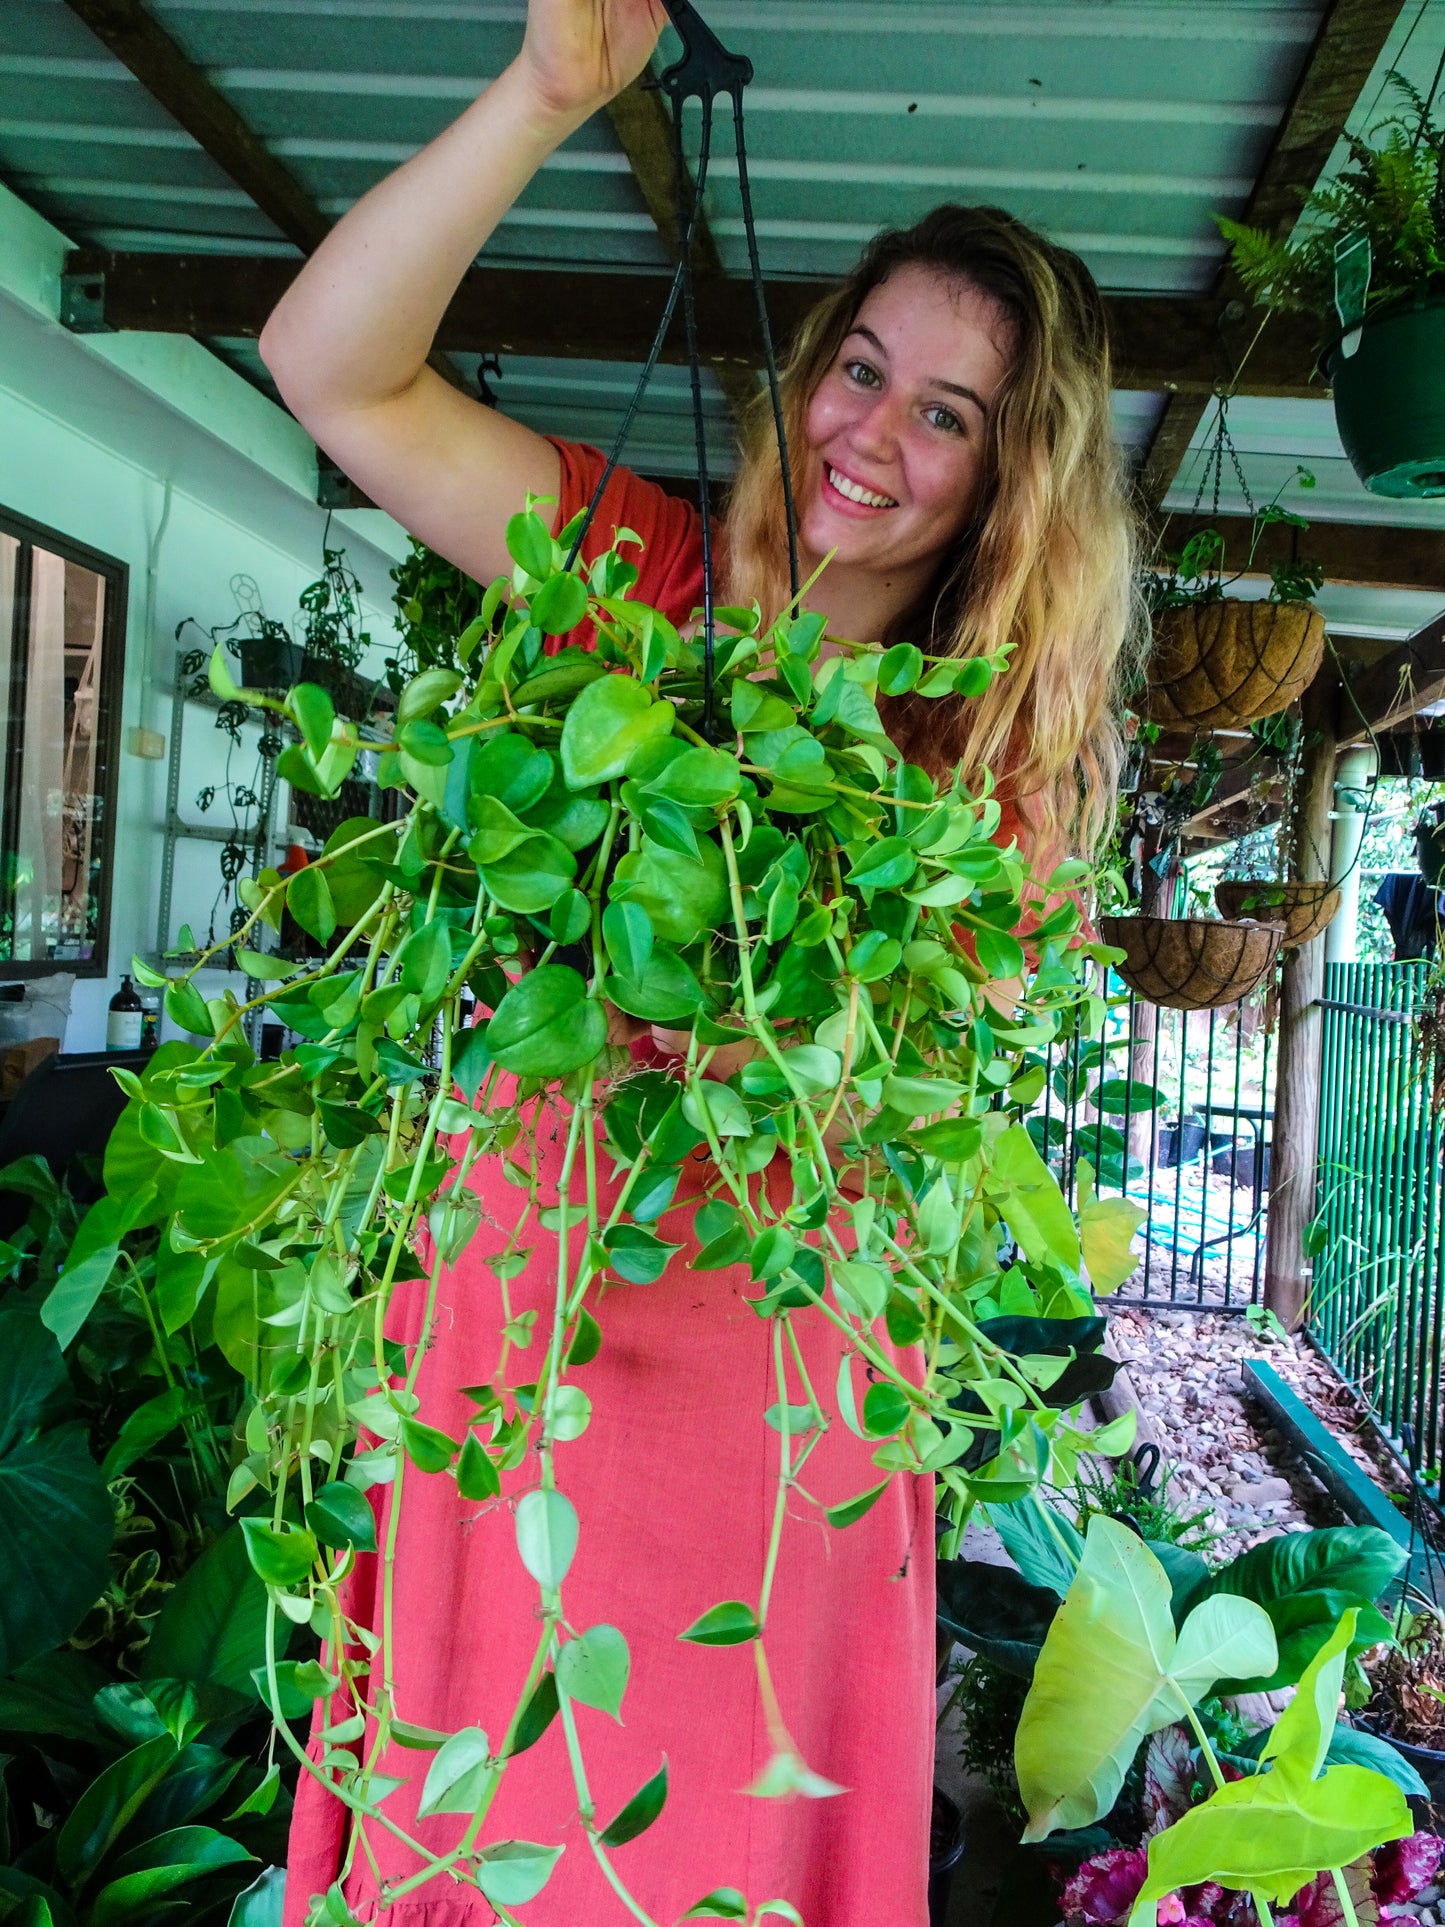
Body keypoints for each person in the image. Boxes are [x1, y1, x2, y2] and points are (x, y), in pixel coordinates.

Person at [261, 3, 1140, 1922]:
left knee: (727, 1799)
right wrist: (546, 96)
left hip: (781, 1364)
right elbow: (331, 371)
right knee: (484, 1772)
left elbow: (945, 1060)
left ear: (1009, 478)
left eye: (947, 414)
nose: (870, 436)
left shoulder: (986, 771)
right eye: (861, 369)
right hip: (535, 1286)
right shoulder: (636, 579)